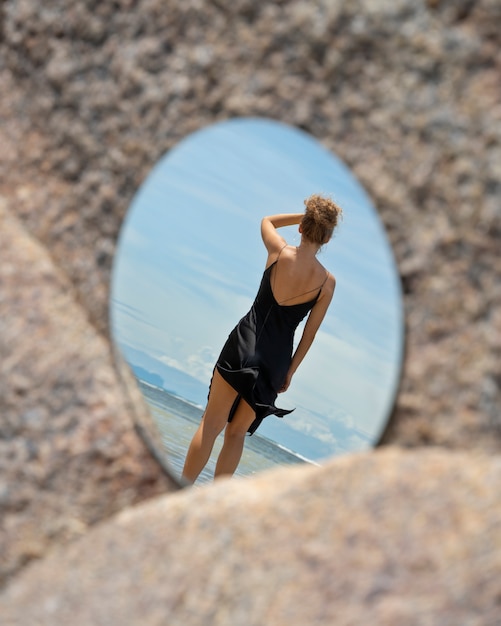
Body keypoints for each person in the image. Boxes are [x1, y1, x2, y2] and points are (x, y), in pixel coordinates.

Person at [182, 194, 342, 483]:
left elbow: (267, 220)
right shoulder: (327, 283)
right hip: (275, 363)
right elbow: (310, 334)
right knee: (236, 434)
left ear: (302, 227)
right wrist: (290, 371)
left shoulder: (278, 251)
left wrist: (304, 217)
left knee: (211, 425)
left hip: (243, 343)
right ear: (328, 239)